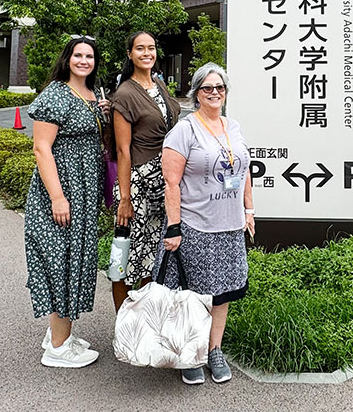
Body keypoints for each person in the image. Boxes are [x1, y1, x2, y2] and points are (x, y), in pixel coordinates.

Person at [156, 63, 253, 386]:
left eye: (219, 88)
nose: (214, 93)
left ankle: (215, 350)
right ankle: (191, 353)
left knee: (223, 294)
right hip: (196, 225)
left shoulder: (233, 126)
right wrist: (174, 227)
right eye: (207, 88)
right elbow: (171, 182)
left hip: (230, 225)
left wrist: (249, 210)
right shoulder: (185, 130)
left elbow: (243, 173)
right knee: (194, 294)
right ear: (196, 93)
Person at [24, 36, 106, 368]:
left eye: (89, 56)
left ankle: (59, 335)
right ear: (67, 59)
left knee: (76, 259)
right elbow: (41, 148)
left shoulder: (90, 95)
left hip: (83, 192)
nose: (84, 60)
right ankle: (58, 348)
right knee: (60, 261)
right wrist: (58, 198)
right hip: (63, 191)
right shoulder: (56, 94)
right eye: (78, 55)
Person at [110, 31, 181, 311]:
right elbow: (123, 150)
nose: (147, 53)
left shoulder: (159, 84)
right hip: (137, 186)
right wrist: (124, 198)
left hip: (160, 185)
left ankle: (145, 324)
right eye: (140, 48)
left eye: (151, 48)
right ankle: (123, 324)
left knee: (152, 256)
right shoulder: (125, 93)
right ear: (130, 54)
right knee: (126, 256)